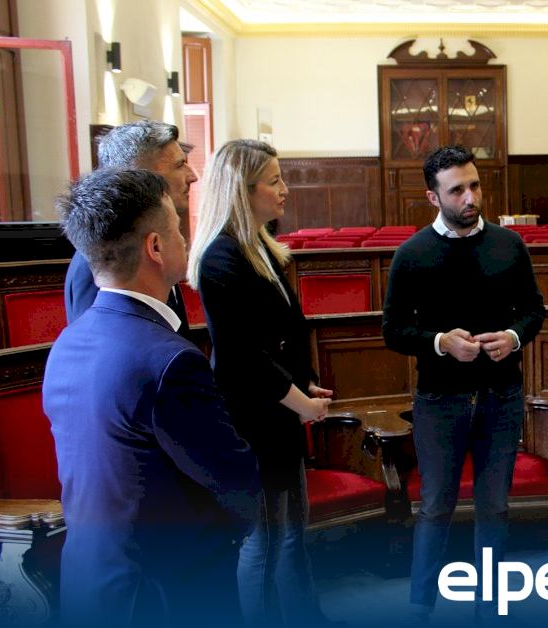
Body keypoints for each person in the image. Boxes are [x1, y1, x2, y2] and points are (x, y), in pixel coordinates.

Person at [44, 168, 260, 625]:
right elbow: (235, 480)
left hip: (90, 580)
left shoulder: (67, 343)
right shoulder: (169, 360)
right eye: (178, 228)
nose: (186, 238)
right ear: (155, 247)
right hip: (169, 591)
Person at [381, 144, 545, 622]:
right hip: (440, 400)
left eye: (474, 185)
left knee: (495, 507)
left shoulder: (509, 245)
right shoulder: (412, 254)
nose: (470, 197)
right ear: (433, 197)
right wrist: (439, 342)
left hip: (501, 396)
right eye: (457, 190)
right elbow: (393, 330)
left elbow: (533, 311)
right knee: (436, 507)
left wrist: (513, 337)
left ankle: (488, 607)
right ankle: (420, 608)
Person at [187, 139, 335, 626]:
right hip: (253, 416)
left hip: (280, 410)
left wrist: (305, 386)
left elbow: (283, 334)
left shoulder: (259, 247)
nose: (285, 189)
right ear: (242, 189)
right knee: (265, 539)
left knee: (292, 532)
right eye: (274, 181)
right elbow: (243, 355)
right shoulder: (220, 258)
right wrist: (301, 403)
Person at [64, 120, 199, 335]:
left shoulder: (156, 241)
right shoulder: (100, 262)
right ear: (141, 175)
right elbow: (101, 346)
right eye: (179, 165)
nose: (192, 176)